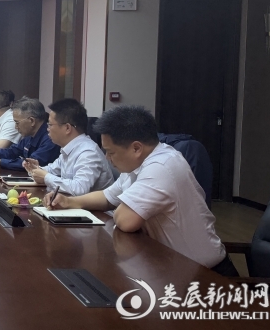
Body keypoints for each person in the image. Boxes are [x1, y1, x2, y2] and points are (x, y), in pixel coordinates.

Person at [45, 105, 237, 276]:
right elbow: (107, 197)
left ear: (136, 148)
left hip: (207, 276)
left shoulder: (161, 166)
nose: (107, 158)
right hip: (170, 265)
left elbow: (126, 220)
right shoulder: (138, 165)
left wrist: (120, 206)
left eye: (111, 152)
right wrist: (69, 201)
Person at [23, 98, 115, 195]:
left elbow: (80, 189)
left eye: (50, 124)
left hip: (91, 205)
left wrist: (46, 177)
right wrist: (35, 169)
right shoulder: (69, 148)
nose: (47, 129)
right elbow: (52, 169)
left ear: (67, 128)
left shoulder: (88, 153)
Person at [0, 97, 59, 171]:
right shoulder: (29, 135)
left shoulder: (50, 138)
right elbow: (12, 151)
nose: (16, 127)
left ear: (32, 121)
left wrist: (0, 162)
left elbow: (30, 164)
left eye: (17, 123)